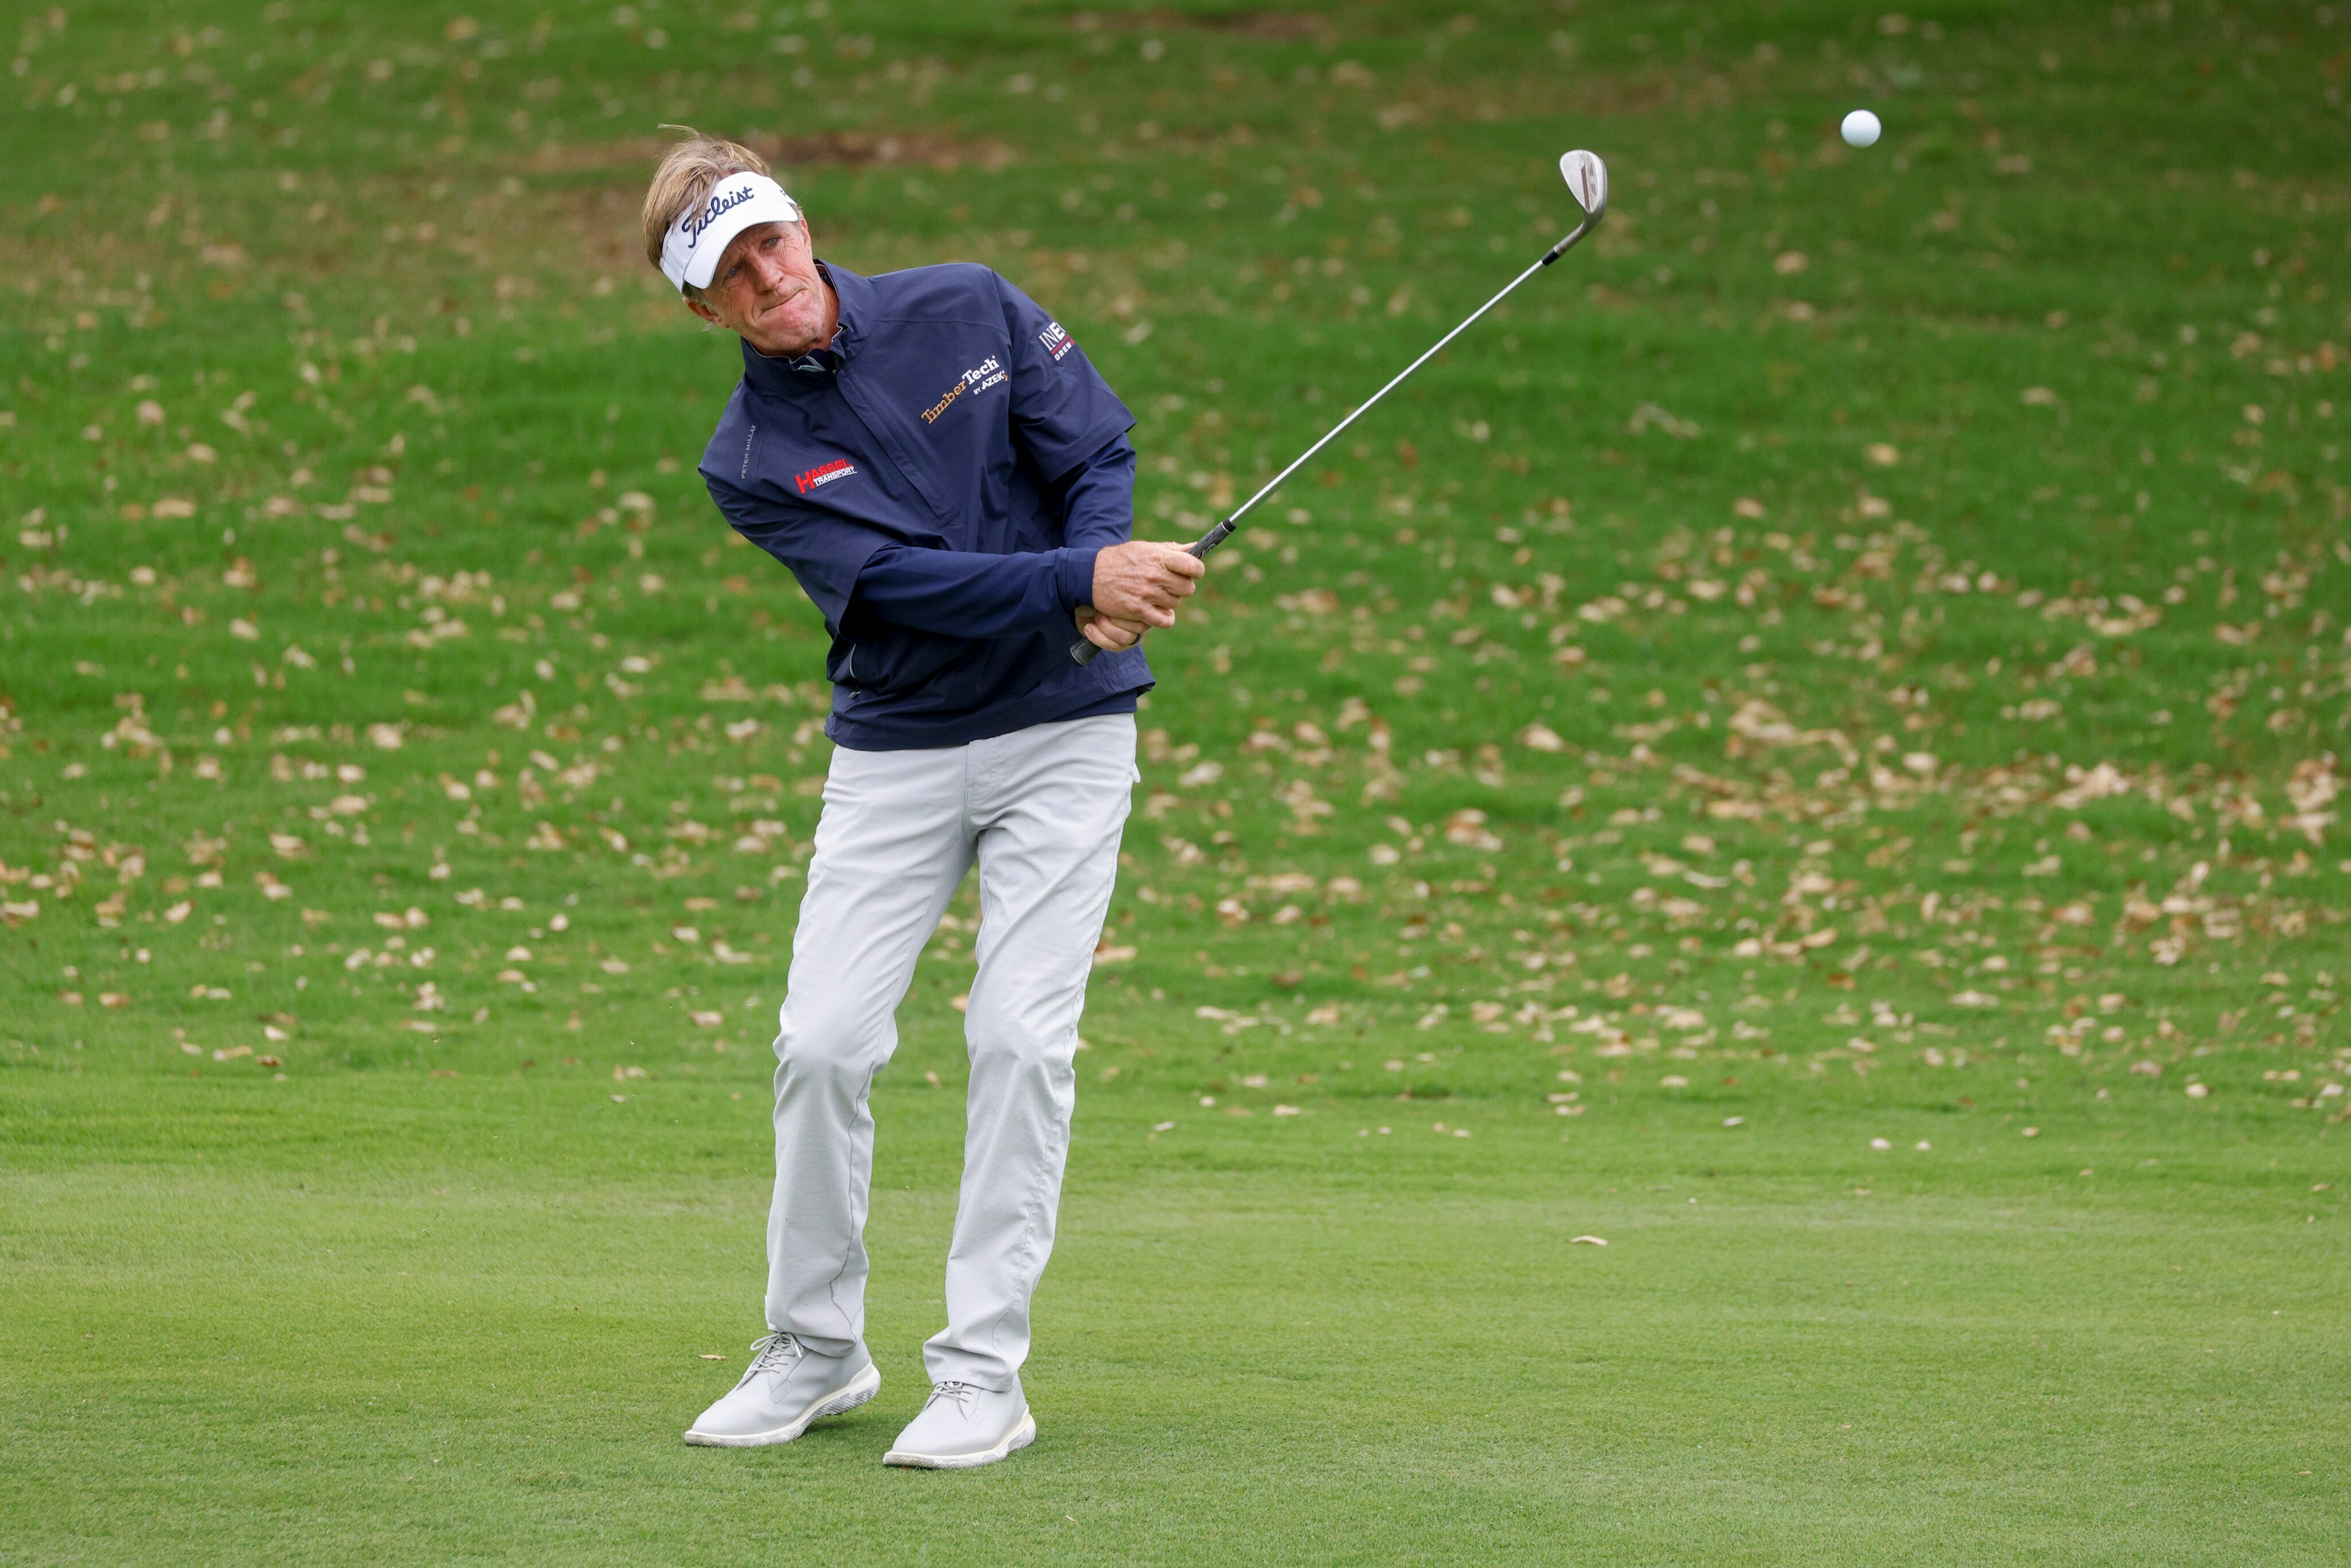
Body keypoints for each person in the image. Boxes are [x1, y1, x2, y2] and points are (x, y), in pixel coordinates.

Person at [640, 132, 1203, 1469]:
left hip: (1067, 731)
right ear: (701, 306)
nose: (768, 273)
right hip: (897, 749)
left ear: (798, 221)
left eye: (769, 237)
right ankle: (818, 1347)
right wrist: (1081, 583)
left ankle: (982, 1374)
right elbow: (897, 588)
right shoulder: (749, 457)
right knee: (822, 1043)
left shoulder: (966, 301)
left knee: (1018, 1037)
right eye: (731, 268)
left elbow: (1094, 444)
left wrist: (1105, 567)